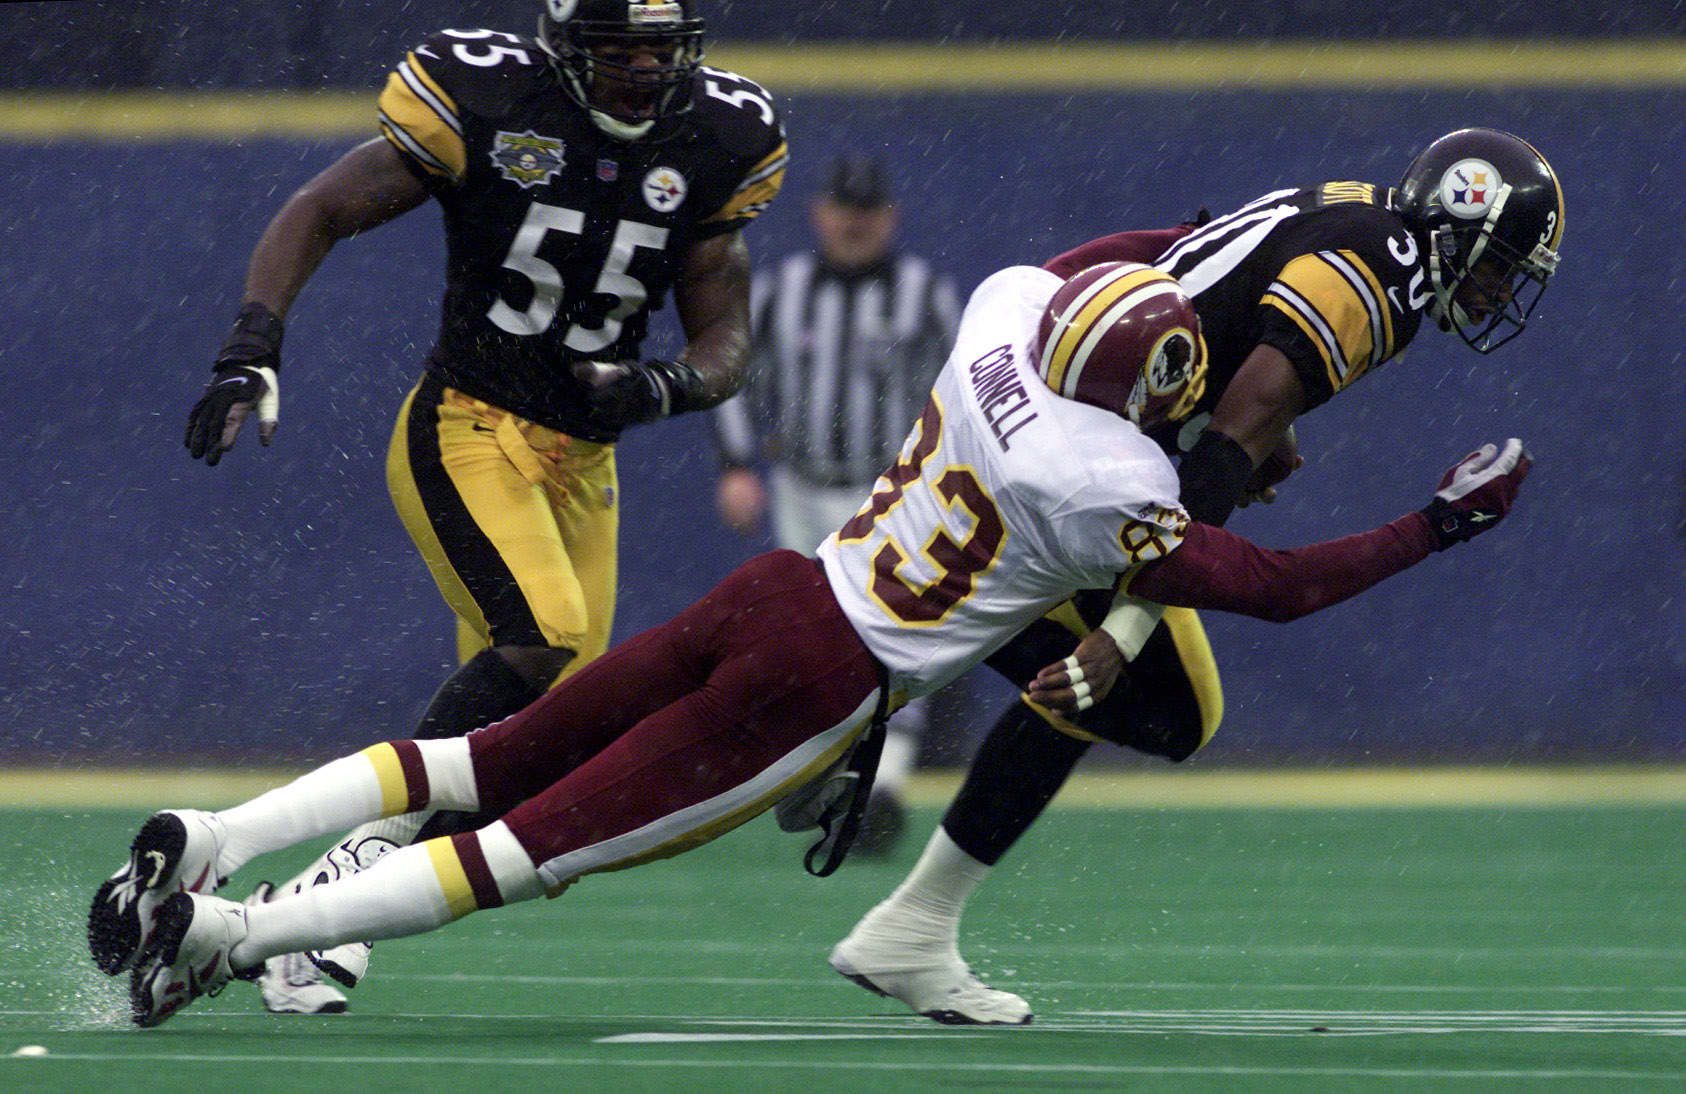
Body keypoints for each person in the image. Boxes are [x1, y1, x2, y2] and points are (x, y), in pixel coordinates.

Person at [91, 259, 1531, 1029]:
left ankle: (219, 830)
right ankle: (221, 932)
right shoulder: (1110, 491)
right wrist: (1432, 528)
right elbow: (1269, 585)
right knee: (520, 854)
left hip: (776, 585)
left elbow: (1096, 265)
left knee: (474, 760)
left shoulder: (1000, 318)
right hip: (827, 676)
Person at [829, 127, 1566, 1024]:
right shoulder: (1383, 286)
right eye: (1498, 266)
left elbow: (1179, 245)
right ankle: (877, 763)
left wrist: (1065, 315)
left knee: (1108, 680)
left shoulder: (1361, 206)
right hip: (1072, 456)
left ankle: (897, 844)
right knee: (1161, 699)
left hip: (1040, 406)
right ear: (1456, 229)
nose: (1498, 293)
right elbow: (1223, 464)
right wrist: (1125, 628)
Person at [178, 0, 787, 1014]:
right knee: (542, 634)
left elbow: (724, 334)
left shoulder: (719, 137)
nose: (645, 69)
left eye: (661, 48)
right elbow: (321, 208)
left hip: (584, 462)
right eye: (619, 49)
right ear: (565, 48)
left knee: (539, 737)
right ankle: (317, 874)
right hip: (469, 424)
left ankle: (284, 922)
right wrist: (252, 344)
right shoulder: (497, 102)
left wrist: (666, 385)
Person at [713, 152, 962, 854]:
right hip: (800, 486)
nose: (854, 225)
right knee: (808, 635)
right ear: (821, 213)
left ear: (889, 218)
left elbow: (960, 387)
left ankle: (882, 782)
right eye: (844, 211)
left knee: (901, 631)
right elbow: (733, 375)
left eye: (868, 213)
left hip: (890, 491)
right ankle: (827, 776)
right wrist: (737, 463)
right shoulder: (778, 290)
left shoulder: (925, 294)